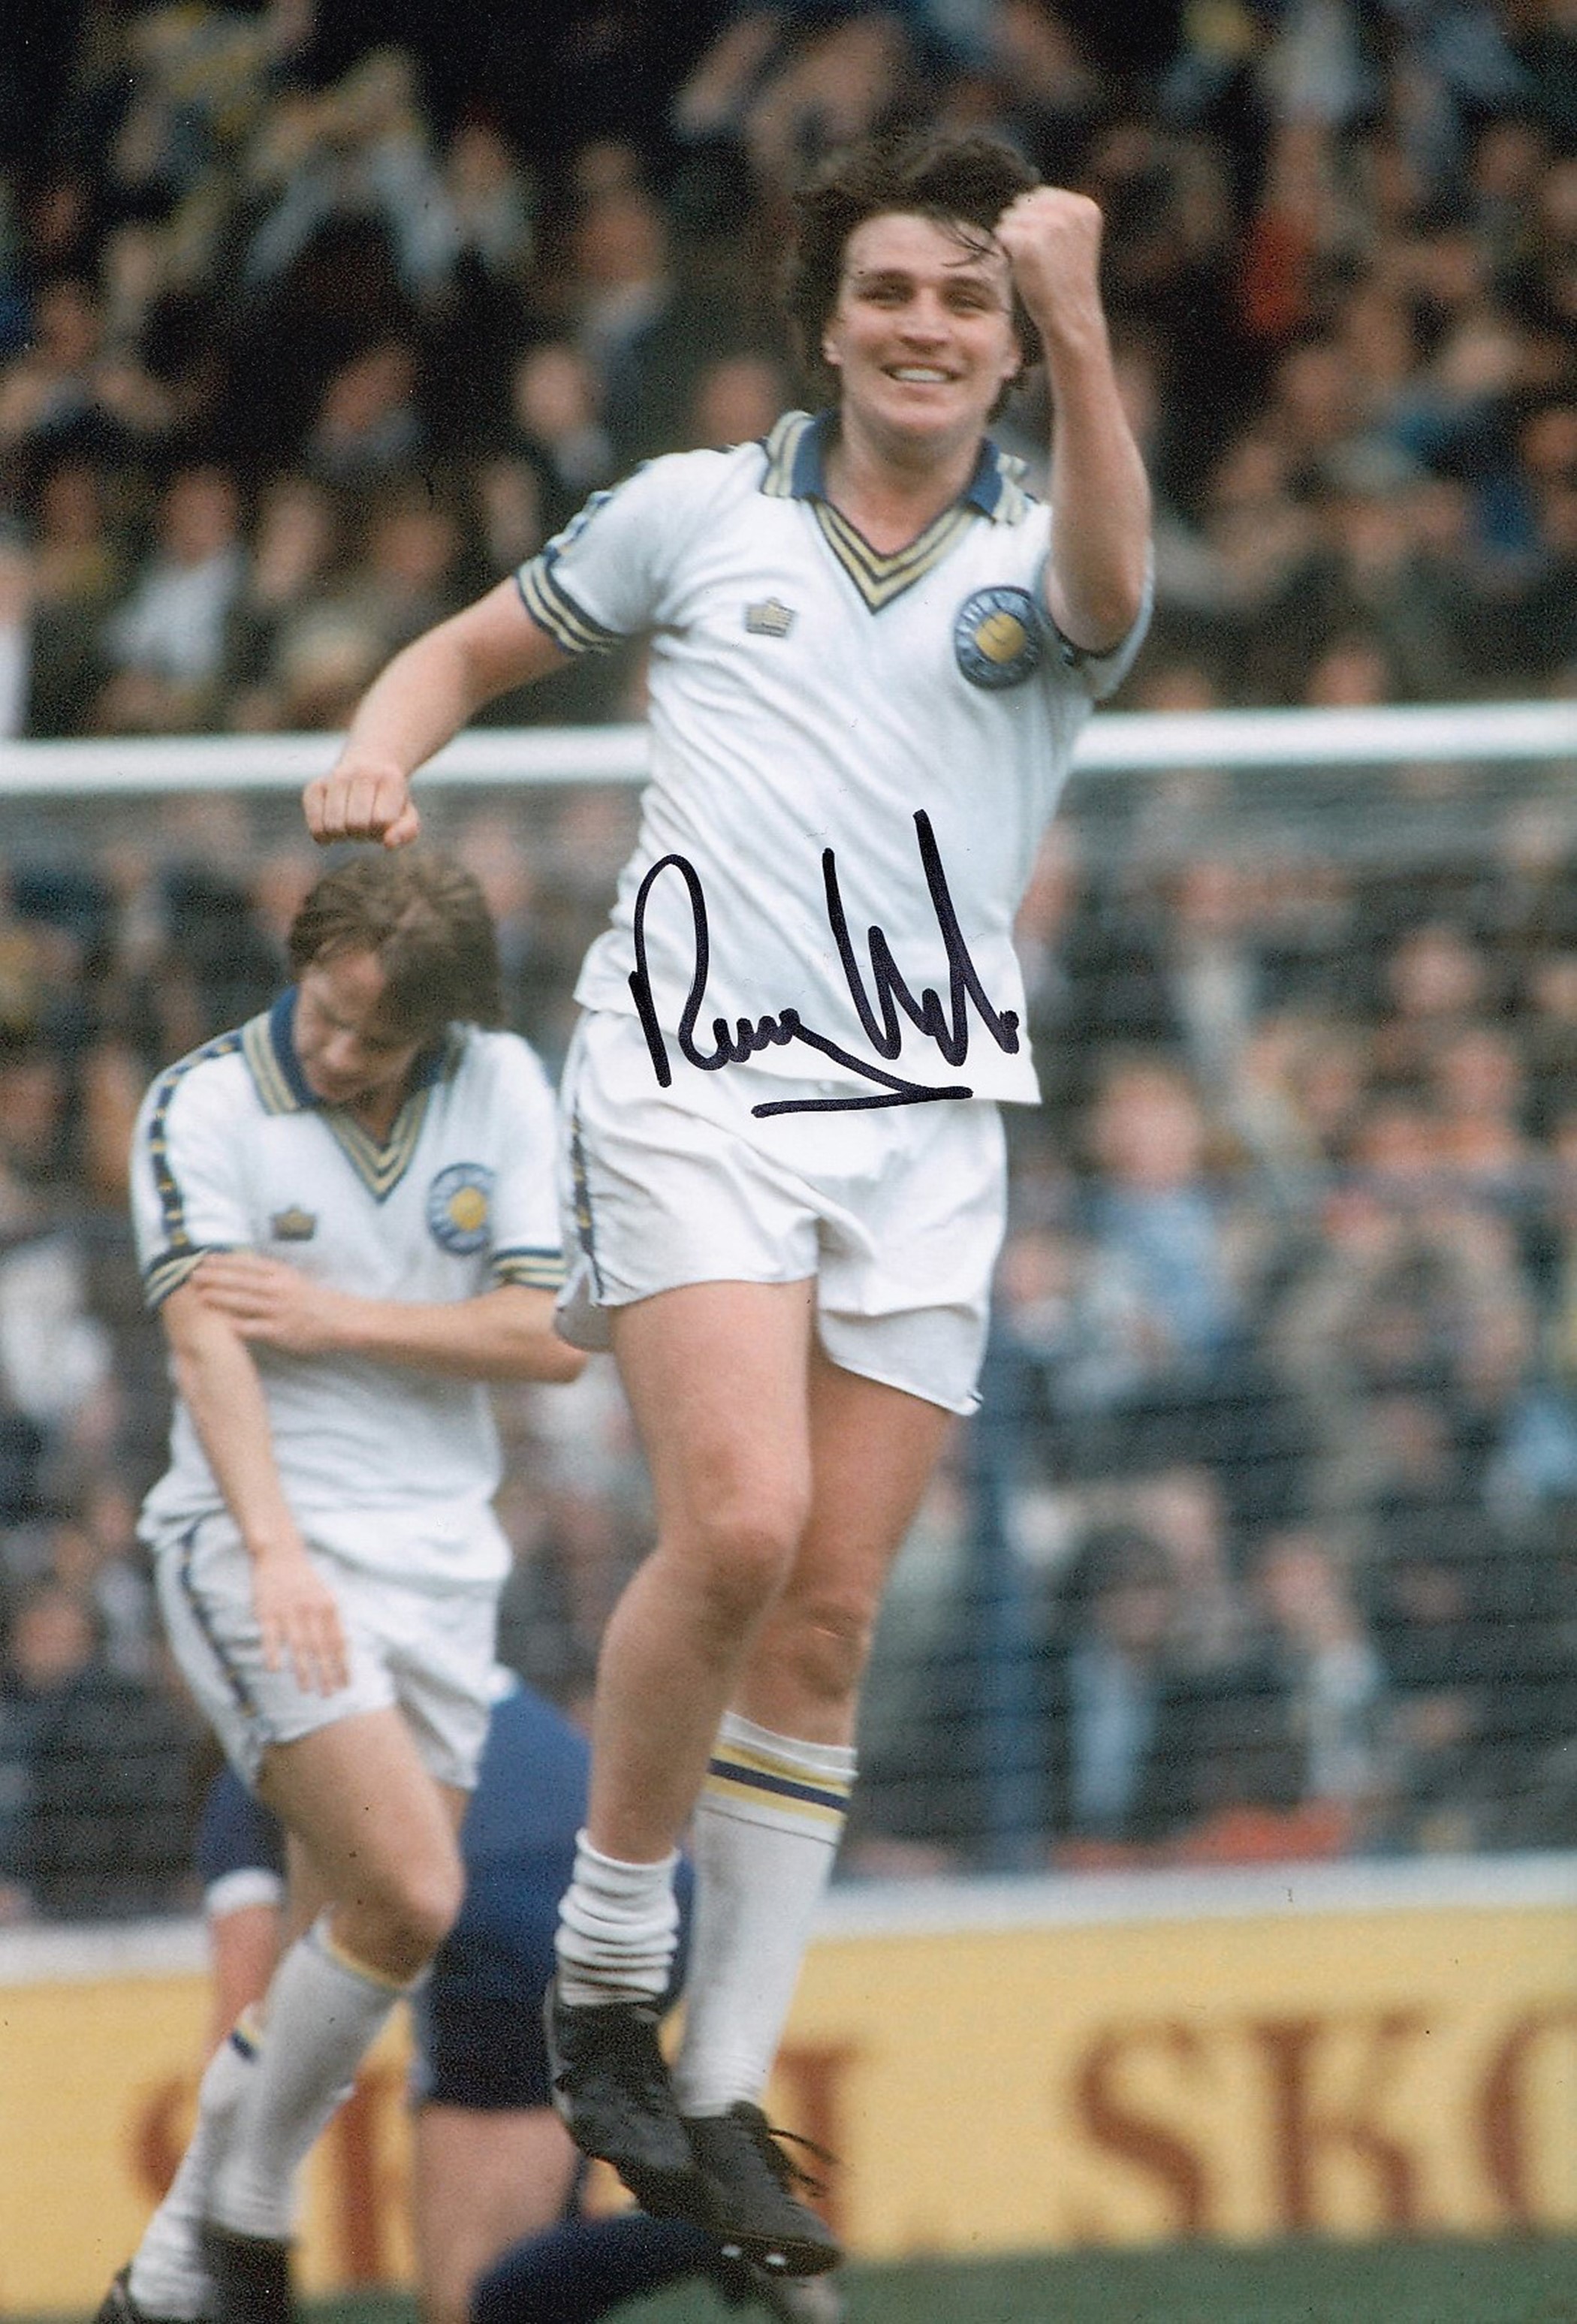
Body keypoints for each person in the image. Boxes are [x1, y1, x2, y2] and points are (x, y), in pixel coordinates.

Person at [303, 125, 1152, 2280]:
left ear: (1010, 338)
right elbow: (463, 650)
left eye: (965, 300)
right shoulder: (701, 510)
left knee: (832, 1615)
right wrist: (375, 748)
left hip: (928, 1126)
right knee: (746, 1518)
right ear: (824, 317)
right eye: (890, 290)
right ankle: (608, 1961)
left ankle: (706, 2082)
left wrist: (1079, 318)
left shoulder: (1046, 550)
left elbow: (1123, 603)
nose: (925, 328)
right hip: (687, 1085)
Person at [101, 851, 585, 2324]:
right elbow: (208, 1350)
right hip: (261, 1542)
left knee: (357, 1932)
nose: (335, 1045)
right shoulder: (201, 1105)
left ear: (436, 1027)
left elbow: (555, 1331)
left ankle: (174, 2266)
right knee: (416, 1891)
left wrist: (338, 1313)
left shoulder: (501, 1081)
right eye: (325, 1009)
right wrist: (275, 1548)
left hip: (443, 1561)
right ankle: (243, 2211)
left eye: (374, 1032)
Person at [174, 1678, 839, 2324]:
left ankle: (714, 2228)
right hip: (650, 1900)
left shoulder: (253, 1772)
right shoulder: (449, 1661)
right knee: (544, 2241)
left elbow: (245, 2008)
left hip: (507, 1930)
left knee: (469, 2301)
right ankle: (713, 2228)